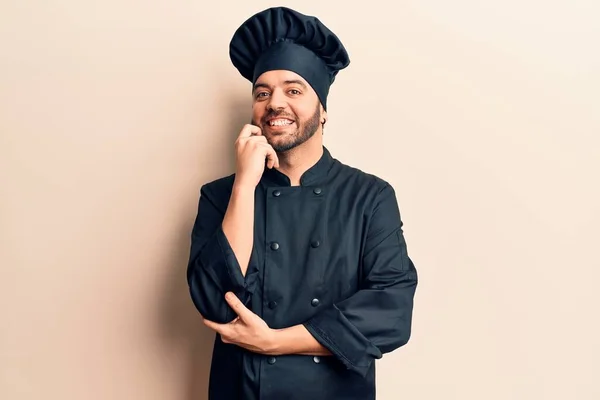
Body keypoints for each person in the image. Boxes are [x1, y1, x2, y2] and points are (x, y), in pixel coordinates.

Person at [186, 6, 418, 400]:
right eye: (262, 93)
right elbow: (214, 301)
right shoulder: (220, 194)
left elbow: (391, 310)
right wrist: (245, 183)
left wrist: (275, 342)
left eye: (294, 90)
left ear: (322, 110)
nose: (275, 103)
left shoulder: (369, 196)